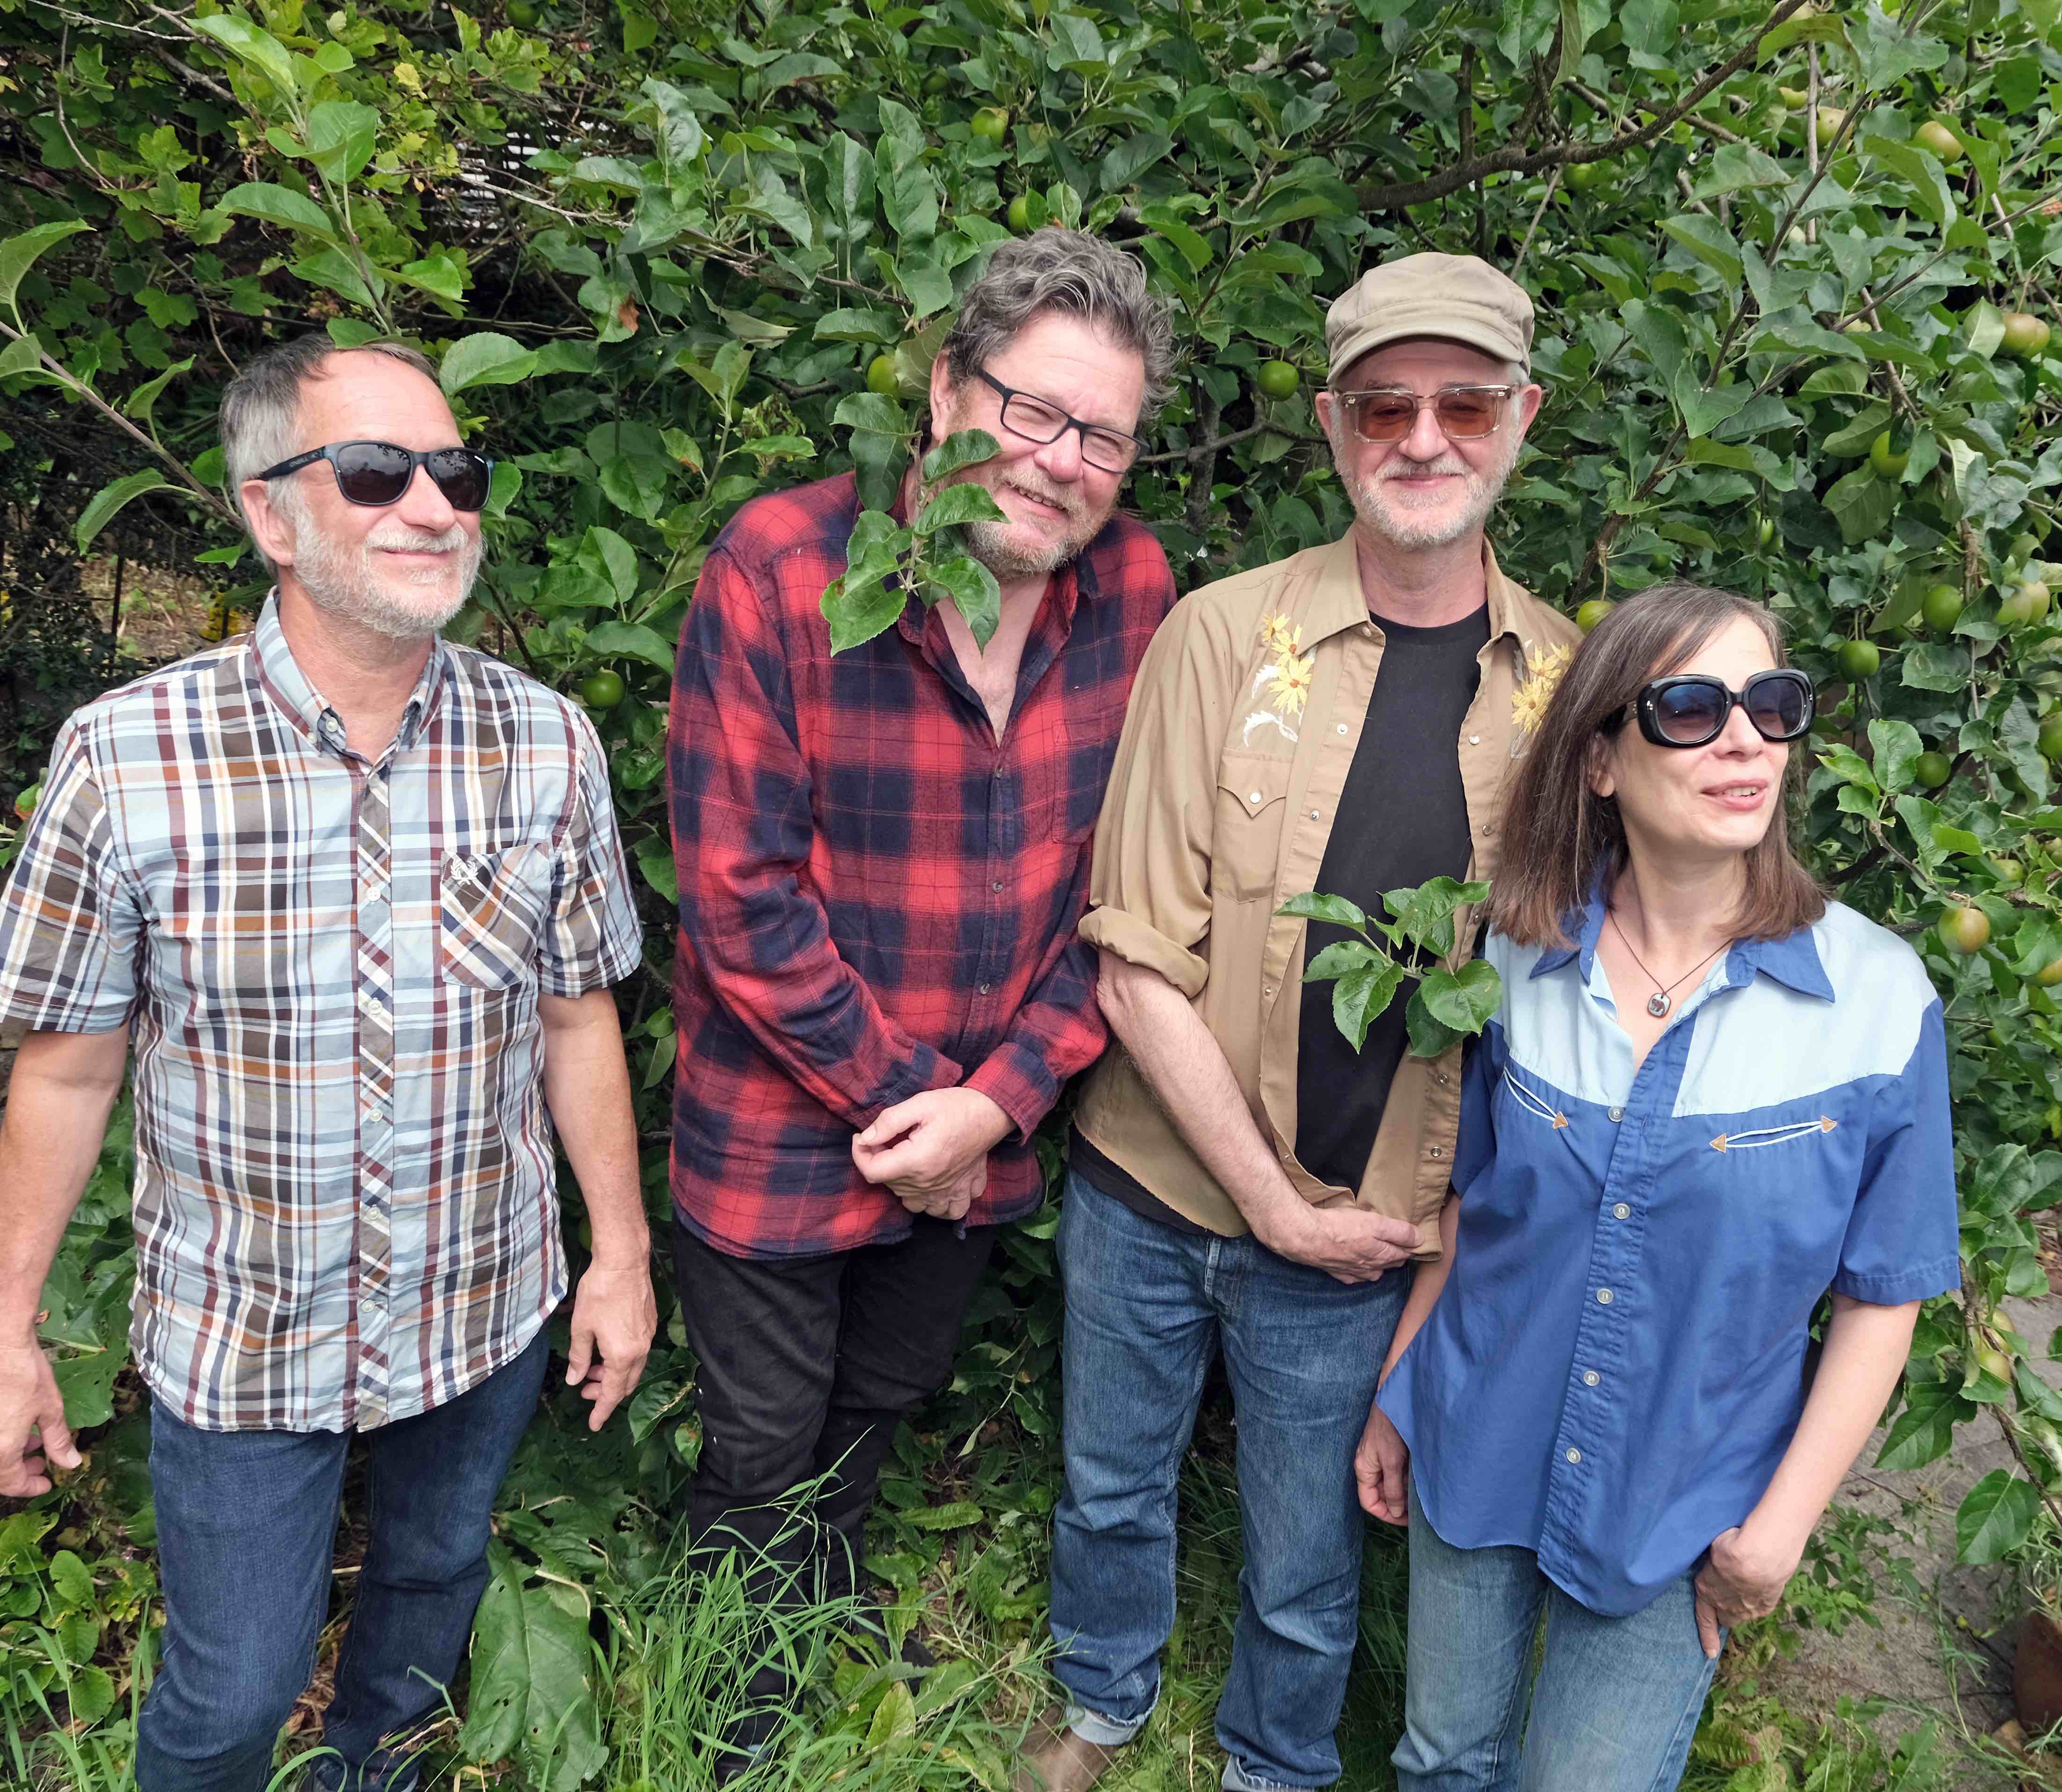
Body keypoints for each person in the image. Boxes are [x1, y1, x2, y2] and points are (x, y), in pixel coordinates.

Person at [0, 335, 653, 1792]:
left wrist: (621, 1258)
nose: (433, 505)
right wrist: (0, 1331)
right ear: (269, 513)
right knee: (232, 1689)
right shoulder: (129, 757)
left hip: (481, 1302)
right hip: (244, 1329)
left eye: (454, 470)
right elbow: (67, 1075)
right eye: (378, 470)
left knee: (427, 1603)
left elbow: (577, 1015)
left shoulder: (545, 744)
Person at [1024, 254, 1582, 1792]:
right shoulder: (1219, 637)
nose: (1423, 438)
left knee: (1306, 1549)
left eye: (1463, 402)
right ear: (1331, 424)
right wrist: (1266, 1204)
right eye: (1383, 406)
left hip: (1364, 1229)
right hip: (1150, 1189)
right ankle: (1098, 1696)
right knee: (1109, 1487)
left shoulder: (1565, 697)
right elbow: (1135, 956)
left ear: (1522, 417)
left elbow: (1565, 1010)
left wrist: (1422, 1234)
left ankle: (1272, 1759)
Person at [665, 228, 1179, 1770]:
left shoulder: (1134, 590)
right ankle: (730, 1717)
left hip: (985, 1122)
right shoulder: (781, 566)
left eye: (1100, 435)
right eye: (1031, 410)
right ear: (947, 389)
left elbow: (1128, 890)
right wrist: (922, 1109)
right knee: (761, 1440)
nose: (1060, 460)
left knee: (882, 1396)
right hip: (782, 1125)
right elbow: (740, 896)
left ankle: (814, 1610)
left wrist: (996, 1103)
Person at [1360, 585, 1960, 1790]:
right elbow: (1472, 1206)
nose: (1743, 741)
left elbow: (1881, 1295)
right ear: (1597, 759)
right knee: (1442, 1758)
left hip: (1683, 1504)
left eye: (1770, 704)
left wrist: (1777, 1529)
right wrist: (1397, 1392)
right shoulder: (1519, 955)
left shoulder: (1877, 1003)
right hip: (1476, 1435)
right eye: (1689, 708)